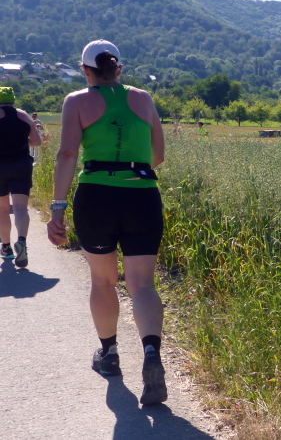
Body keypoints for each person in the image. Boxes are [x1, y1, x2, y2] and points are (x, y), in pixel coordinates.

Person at [46, 40, 168, 405]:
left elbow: (68, 153)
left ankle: (109, 353)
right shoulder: (143, 98)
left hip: (96, 196)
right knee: (142, 284)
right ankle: (151, 353)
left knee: (103, 280)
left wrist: (57, 209)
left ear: (86, 71)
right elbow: (158, 154)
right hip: (141, 195)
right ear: (119, 69)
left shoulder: (76, 101)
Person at [0, 86, 42, 267]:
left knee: (2, 209)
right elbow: (37, 142)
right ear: (13, 100)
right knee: (20, 208)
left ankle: (6, 247)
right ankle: (22, 241)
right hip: (21, 165)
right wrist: (22, 141)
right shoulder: (23, 115)